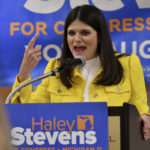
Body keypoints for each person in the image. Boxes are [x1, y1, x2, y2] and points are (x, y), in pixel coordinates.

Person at [11, 5, 150, 140]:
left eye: (85, 32)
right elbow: (30, 114)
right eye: (71, 33)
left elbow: (141, 113)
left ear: (100, 36)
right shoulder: (57, 68)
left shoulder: (128, 64)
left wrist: (145, 119)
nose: (76, 39)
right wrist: (23, 75)